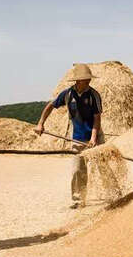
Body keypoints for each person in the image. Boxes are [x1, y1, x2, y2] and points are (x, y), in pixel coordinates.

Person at [34, 63, 103, 208]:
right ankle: (79, 199)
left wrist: (93, 138)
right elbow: (50, 106)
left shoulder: (94, 95)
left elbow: (97, 119)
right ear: (78, 81)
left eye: (89, 79)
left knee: (102, 164)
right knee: (78, 170)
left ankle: (113, 190)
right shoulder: (67, 94)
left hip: (95, 135)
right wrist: (40, 123)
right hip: (77, 138)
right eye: (85, 80)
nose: (89, 82)